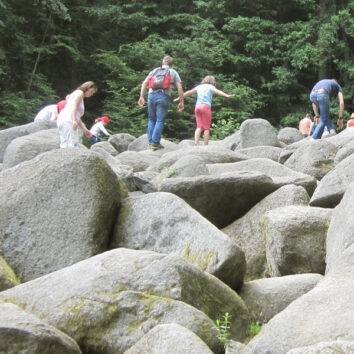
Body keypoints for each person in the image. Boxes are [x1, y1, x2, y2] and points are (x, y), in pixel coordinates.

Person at [138, 55, 184, 150]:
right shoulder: (173, 72)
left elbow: (145, 83)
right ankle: (155, 142)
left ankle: (151, 142)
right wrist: (181, 101)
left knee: (151, 119)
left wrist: (141, 96)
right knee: (160, 119)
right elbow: (179, 87)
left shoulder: (155, 71)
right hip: (164, 96)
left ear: (163, 63)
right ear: (171, 64)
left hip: (151, 95)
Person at [174, 75, 235, 145]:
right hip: (206, 107)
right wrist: (227, 95)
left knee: (199, 126)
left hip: (197, 106)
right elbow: (218, 92)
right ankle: (205, 145)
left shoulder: (199, 87)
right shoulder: (211, 87)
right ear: (212, 81)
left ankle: (196, 143)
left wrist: (179, 98)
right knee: (206, 128)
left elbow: (189, 92)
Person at [56, 81, 97, 148]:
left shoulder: (76, 93)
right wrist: (74, 120)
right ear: (87, 88)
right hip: (68, 120)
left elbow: (77, 115)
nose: (91, 94)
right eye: (91, 92)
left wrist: (84, 129)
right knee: (73, 144)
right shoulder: (80, 93)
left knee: (64, 145)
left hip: (63, 119)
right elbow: (73, 106)